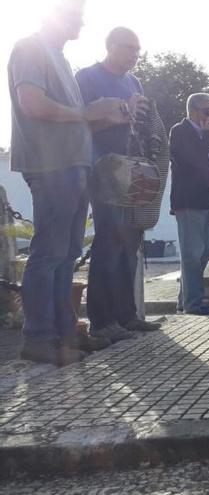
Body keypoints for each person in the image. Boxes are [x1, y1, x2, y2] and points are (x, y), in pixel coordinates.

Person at [8, 0, 132, 365]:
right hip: (51, 166)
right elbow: (31, 103)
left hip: (74, 166)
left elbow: (77, 119)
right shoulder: (30, 48)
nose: (81, 21)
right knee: (49, 253)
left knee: (67, 254)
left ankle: (63, 336)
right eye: (75, 14)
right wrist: (87, 112)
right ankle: (38, 337)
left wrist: (107, 115)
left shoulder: (60, 58)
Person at [76, 26, 162, 343]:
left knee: (129, 243)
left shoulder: (134, 81)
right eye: (130, 48)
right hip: (101, 168)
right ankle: (102, 321)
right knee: (108, 241)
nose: (135, 56)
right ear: (110, 45)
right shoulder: (86, 77)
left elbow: (137, 124)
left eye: (138, 51)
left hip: (130, 170)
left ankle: (127, 316)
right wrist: (122, 111)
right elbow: (81, 120)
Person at [169, 93, 209, 315]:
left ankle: (184, 300)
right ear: (193, 110)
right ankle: (193, 304)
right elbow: (193, 159)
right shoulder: (180, 131)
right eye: (207, 112)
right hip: (189, 200)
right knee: (192, 254)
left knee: (204, 253)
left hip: (207, 198)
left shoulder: (203, 135)